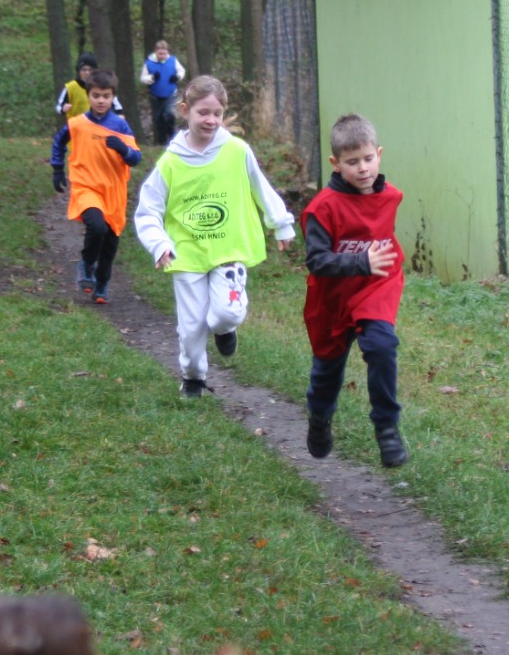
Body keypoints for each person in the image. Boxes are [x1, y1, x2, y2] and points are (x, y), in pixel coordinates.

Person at [134, 75, 295, 398]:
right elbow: (148, 210)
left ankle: (226, 329)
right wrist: (159, 244)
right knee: (191, 326)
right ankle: (193, 378)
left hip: (228, 248)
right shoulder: (171, 162)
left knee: (226, 313)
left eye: (217, 113)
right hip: (187, 253)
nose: (210, 120)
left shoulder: (237, 151)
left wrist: (281, 223)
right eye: (203, 112)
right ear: (185, 110)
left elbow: (261, 187)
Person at [300, 114, 409, 468]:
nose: (362, 168)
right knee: (327, 371)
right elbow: (317, 261)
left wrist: (373, 267)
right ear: (336, 163)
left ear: (379, 154)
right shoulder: (322, 208)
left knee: (382, 345)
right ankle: (319, 418)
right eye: (352, 162)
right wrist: (361, 261)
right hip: (333, 298)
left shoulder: (390, 196)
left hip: (376, 287)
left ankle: (387, 429)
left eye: (368, 159)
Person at [51, 69, 142, 304]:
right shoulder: (78, 124)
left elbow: (136, 158)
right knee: (97, 226)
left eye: (106, 96)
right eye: (96, 95)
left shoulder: (120, 126)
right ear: (88, 95)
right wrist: (57, 168)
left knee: (110, 243)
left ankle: (101, 284)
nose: (101, 100)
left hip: (113, 191)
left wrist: (123, 149)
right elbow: (59, 142)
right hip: (86, 186)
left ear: (113, 97)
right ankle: (86, 263)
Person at [139, 40, 186, 145]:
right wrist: (152, 78)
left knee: (169, 114)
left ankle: (173, 138)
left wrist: (177, 77)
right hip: (155, 97)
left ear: (167, 52)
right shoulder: (149, 63)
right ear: (155, 51)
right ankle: (162, 143)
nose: (162, 56)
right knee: (158, 120)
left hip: (170, 95)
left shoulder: (173, 60)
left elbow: (181, 71)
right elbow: (143, 78)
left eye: (164, 54)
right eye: (160, 54)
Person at [55, 52, 100, 121]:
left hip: (96, 125)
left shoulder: (101, 86)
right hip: (76, 125)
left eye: (90, 69)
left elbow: (115, 106)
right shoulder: (70, 87)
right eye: (84, 69)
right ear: (79, 71)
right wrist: (62, 109)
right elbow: (59, 106)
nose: (87, 73)